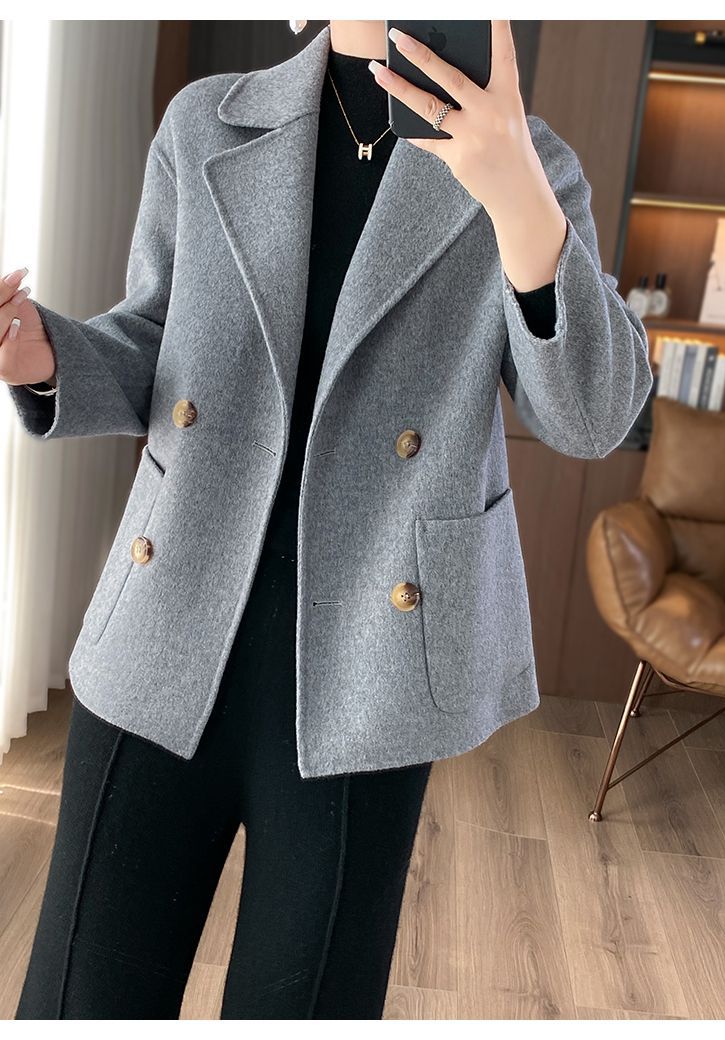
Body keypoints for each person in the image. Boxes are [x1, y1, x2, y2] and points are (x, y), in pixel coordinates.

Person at [0, 20, 653, 1019]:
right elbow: (157, 347)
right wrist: (42, 355)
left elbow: (592, 417)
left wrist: (518, 195)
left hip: (371, 664)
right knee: (79, 1003)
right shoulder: (206, 123)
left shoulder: (532, 165)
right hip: (166, 627)